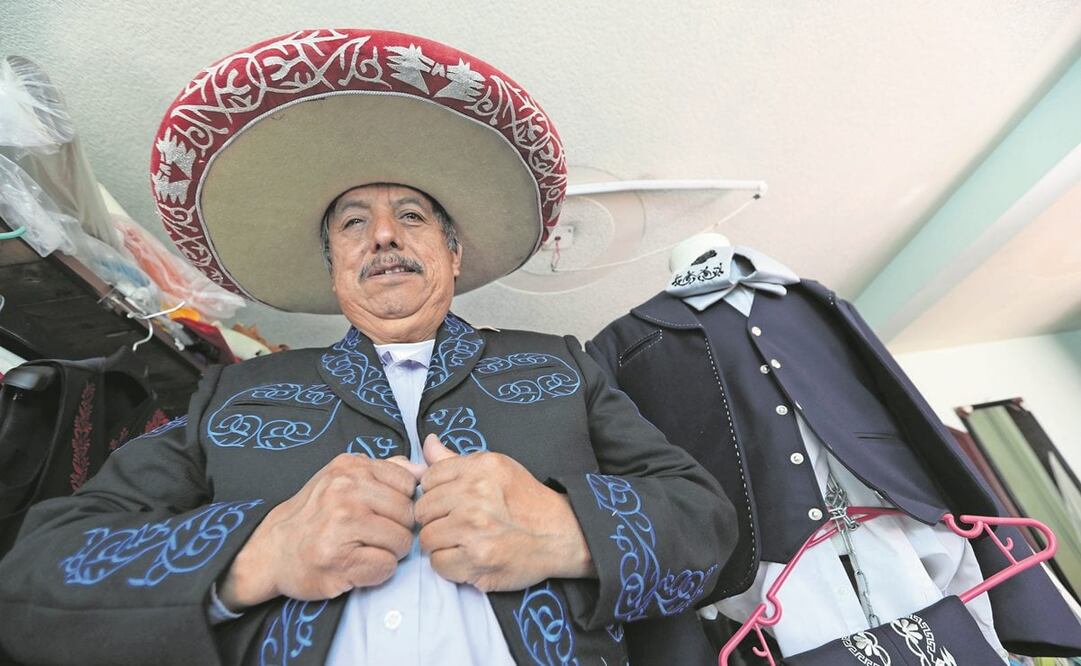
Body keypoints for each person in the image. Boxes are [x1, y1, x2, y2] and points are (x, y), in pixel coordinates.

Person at [0, 30, 736, 665]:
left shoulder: (560, 366)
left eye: (410, 215)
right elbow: (33, 585)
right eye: (353, 223)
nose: (382, 235)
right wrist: (260, 551)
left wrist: (567, 530)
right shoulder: (234, 394)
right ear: (334, 269)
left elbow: (706, 525)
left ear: (452, 256)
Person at [588, 235, 1081, 663]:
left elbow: (898, 395)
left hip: (890, 504)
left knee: (951, 620)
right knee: (818, 637)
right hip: (763, 542)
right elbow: (635, 472)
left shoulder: (812, 299)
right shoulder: (621, 343)